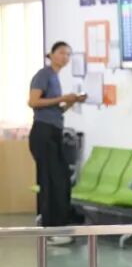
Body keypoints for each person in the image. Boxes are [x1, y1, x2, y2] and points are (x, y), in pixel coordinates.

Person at [27, 42, 86, 246]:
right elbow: (33, 102)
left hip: (54, 131)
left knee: (61, 180)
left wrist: (70, 102)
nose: (65, 57)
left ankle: (58, 226)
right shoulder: (43, 74)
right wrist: (62, 97)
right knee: (51, 182)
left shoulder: (55, 77)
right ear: (51, 54)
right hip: (42, 133)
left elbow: (54, 111)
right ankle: (50, 231)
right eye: (61, 53)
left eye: (68, 54)